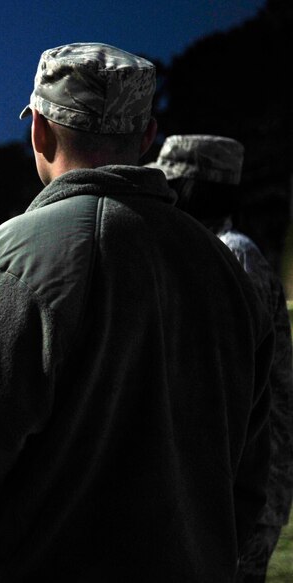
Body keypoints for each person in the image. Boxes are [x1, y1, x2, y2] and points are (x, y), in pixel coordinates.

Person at [0, 43, 273, 582]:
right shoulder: (223, 268)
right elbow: (247, 477)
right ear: (147, 137)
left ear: (39, 129)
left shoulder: (27, 252)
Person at [149, 134, 293, 583]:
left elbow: (221, 390)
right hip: (234, 492)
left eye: (171, 185)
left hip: (243, 497)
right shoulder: (218, 249)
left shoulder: (232, 255)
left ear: (192, 189)